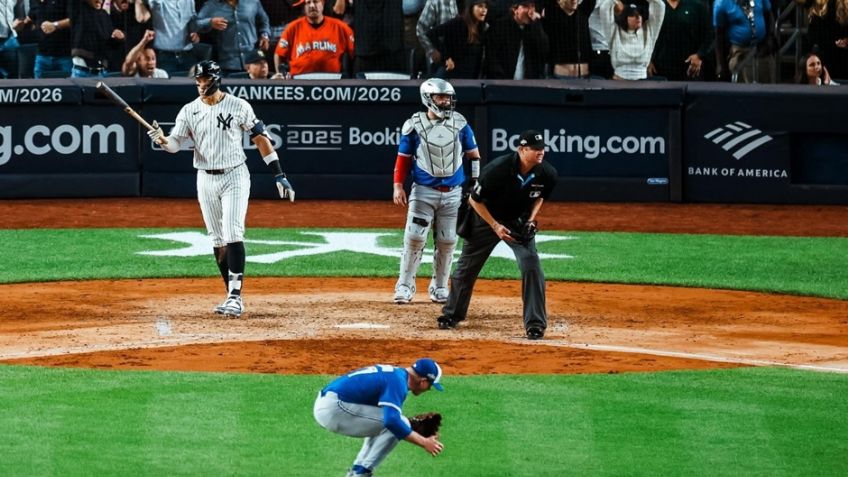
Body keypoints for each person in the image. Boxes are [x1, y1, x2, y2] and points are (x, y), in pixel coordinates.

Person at [146, 60, 296, 318]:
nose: (200, 85)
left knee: (232, 232)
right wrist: (161, 139)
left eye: (204, 80)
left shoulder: (239, 106)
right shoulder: (189, 111)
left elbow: (261, 140)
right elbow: (173, 146)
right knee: (217, 240)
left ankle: (235, 297)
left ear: (215, 79)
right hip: (205, 178)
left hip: (235, 175)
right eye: (198, 80)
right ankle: (231, 295)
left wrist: (279, 175)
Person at [437, 130, 557, 340]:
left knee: (531, 265)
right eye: (535, 149)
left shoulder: (547, 173)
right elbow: (475, 200)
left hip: (517, 221)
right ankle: (452, 314)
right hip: (486, 218)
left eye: (542, 149)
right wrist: (495, 226)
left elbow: (540, 197)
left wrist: (530, 220)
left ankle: (535, 324)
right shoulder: (497, 170)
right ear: (522, 150)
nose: (541, 152)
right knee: (467, 267)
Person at [392, 78, 481, 304]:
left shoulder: (461, 124)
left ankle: (440, 287)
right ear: (428, 99)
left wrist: (475, 182)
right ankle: (404, 286)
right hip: (423, 192)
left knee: (448, 240)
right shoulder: (413, 125)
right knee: (414, 238)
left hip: (453, 193)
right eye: (441, 97)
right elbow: (403, 159)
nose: (446, 101)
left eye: (448, 97)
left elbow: (474, 155)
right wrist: (398, 185)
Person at [313, 358, 446, 477]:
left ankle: (357, 471)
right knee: (398, 423)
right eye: (430, 386)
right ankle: (362, 472)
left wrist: (404, 428)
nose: (428, 389)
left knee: (396, 422)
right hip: (334, 408)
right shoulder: (398, 383)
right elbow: (392, 421)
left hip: (331, 404)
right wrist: (424, 442)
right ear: (423, 381)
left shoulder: (396, 375)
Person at [273, 0, 354, 78]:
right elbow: (279, 54)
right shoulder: (292, 28)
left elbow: (354, 52)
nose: (312, 6)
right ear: (304, 7)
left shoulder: (340, 27)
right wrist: (280, 75)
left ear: (322, 3)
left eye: (315, 1)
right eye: (308, 3)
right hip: (299, 81)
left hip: (331, 81)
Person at [198, 0, 271, 76]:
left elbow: (264, 20)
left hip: (252, 64)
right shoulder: (211, 5)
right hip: (226, 64)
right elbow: (196, 23)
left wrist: (265, 35)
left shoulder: (253, 2)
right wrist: (210, 22)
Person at [713, 0, 775, 83]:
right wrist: (720, 64)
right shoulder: (721, 2)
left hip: (762, 50)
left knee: (768, 90)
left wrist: (768, 40)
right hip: (740, 51)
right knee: (743, 91)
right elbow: (719, 35)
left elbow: (769, 16)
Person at [484, 0, 549, 79]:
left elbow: (544, 50)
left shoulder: (533, 29)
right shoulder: (500, 27)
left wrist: (536, 25)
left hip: (528, 83)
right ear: (515, 9)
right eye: (526, 6)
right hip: (503, 82)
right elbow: (491, 57)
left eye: (532, 6)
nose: (530, 11)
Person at [650, 0, 713, 80]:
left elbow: (710, 34)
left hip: (689, 67)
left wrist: (699, 55)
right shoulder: (656, 6)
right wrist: (648, 60)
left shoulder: (696, 6)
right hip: (660, 67)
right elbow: (647, 34)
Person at [602, 0, 665, 80]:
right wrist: (615, 1)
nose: (638, 17)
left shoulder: (649, 31)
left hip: (642, 83)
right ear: (624, 18)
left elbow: (660, 6)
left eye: (639, 14)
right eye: (633, 15)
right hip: (619, 81)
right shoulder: (614, 32)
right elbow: (604, 8)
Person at [426, 0, 490, 79]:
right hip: (452, 74)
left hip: (470, 76)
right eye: (480, 6)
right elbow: (432, 33)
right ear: (471, 8)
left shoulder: (482, 28)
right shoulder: (458, 23)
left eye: (486, 7)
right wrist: (447, 57)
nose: (484, 10)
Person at [135, 0, 199, 75]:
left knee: (194, 85)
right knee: (165, 86)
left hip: (188, 55)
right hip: (165, 57)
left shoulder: (190, 1)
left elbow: (192, 24)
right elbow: (142, 18)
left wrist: (195, 34)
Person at [69, 0, 125, 78]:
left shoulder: (104, 15)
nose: (100, 0)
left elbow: (110, 44)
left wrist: (119, 38)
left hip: (102, 73)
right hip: (81, 73)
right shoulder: (78, 10)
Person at [542, 0, 596, 78]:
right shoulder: (552, 13)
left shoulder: (583, 12)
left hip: (584, 77)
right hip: (561, 77)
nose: (574, 0)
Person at [27, 0, 73, 78]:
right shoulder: (33, 1)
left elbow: (75, 19)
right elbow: (32, 18)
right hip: (41, 55)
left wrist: (55, 25)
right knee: (38, 88)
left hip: (64, 56)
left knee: (68, 88)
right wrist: (21, 24)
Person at [416, 0, 459, 74]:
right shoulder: (434, 2)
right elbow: (421, 28)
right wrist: (431, 50)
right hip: (441, 58)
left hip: (458, 58)